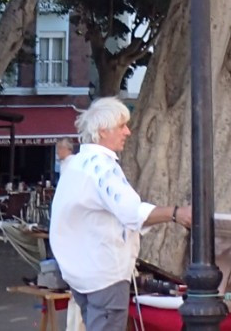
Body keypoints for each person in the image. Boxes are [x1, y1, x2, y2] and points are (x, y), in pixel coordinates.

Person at [48, 98, 191, 331]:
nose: (128, 131)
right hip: (104, 275)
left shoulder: (76, 164)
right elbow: (132, 212)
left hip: (82, 274)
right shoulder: (100, 167)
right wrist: (176, 213)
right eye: (121, 125)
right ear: (103, 131)